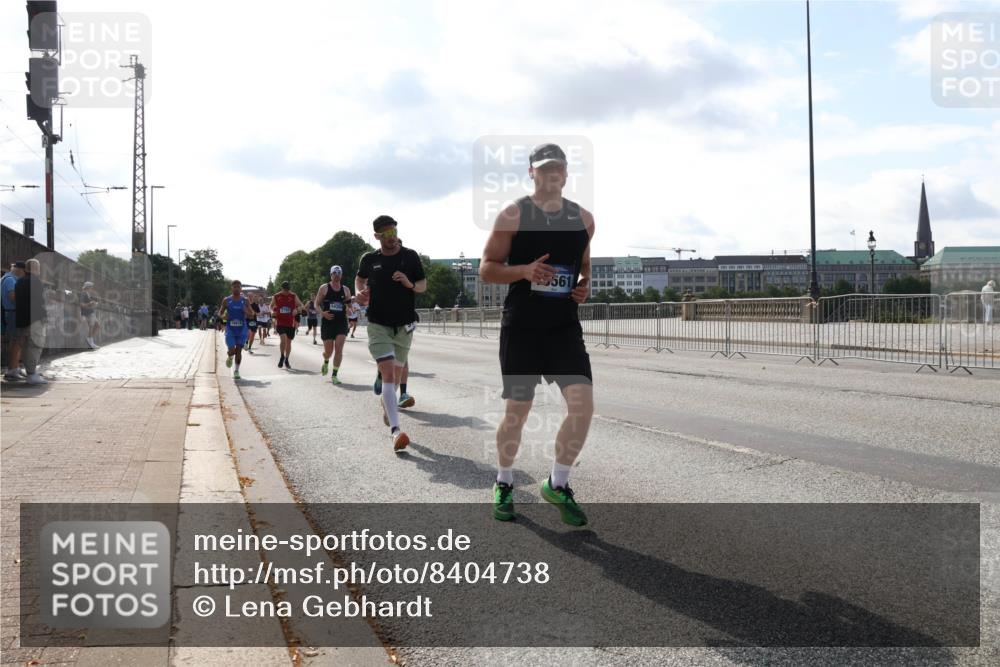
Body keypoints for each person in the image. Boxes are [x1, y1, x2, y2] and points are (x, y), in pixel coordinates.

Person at [479, 142, 595, 526]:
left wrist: (585, 285)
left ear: (566, 172)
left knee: (583, 406)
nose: (551, 173)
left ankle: (557, 483)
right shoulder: (513, 215)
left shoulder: (584, 219)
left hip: (563, 327)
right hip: (523, 327)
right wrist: (524, 271)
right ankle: (504, 481)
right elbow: (487, 268)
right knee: (517, 412)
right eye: (544, 168)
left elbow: (584, 265)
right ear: (532, 172)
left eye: (558, 167)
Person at [355, 215, 427, 451]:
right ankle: (396, 431)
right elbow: (359, 279)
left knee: (395, 377)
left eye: (394, 232)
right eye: (386, 234)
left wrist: (409, 283)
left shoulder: (410, 256)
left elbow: (422, 285)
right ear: (377, 236)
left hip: (404, 325)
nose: (391, 237)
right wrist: (360, 292)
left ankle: (387, 405)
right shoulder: (370, 259)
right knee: (388, 374)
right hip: (378, 324)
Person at [314, 266, 352, 384]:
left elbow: (349, 305)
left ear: (341, 275)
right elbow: (316, 304)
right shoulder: (324, 288)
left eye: (339, 272)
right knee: (329, 352)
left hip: (341, 322)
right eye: (334, 272)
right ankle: (326, 360)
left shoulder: (346, 290)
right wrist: (322, 313)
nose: (337, 274)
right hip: (328, 323)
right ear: (331, 275)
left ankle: (334, 375)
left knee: (339, 349)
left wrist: (349, 310)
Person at [12, 259, 48, 385]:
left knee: (26, 346)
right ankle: (32, 374)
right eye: (39, 268)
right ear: (35, 268)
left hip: (22, 319)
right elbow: (39, 302)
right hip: (35, 319)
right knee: (35, 346)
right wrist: (44, 317)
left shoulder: (19, 281)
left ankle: (30, 372)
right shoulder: (36, 281)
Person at [218, 280, 254, 380]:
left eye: (238, 287)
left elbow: (252, 314)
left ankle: (236, 371)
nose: (236, 288)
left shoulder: (245, 300)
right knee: (232, 351)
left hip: (242, 329)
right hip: (230, 329)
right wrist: (223, 317)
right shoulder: (226, 300)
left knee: (238, 351)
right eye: (235, 287)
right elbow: (220, 313)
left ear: (241, 288)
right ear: (232, 288)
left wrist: (246, 311)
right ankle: (230, 357)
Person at [271, 281, 305, 369]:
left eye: (288, 290)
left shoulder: (293, 296)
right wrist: (272, 312)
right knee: (283, 339)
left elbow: (301, 305)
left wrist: (297, 310)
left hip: (290, 323)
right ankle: (282, 356)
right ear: (282, 289)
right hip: (280, 321)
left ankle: (286, 359)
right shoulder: (276, 296)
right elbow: (270, 306)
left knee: (289, 342)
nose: (287, 292)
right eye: (285, 290)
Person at [2, 262, 25, 381]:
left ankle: (15, 367)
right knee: (16, 341)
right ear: (19, 270)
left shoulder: (7, 278)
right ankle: (12, 369)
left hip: (11, 312)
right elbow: (13, 297)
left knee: (16, 341)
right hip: (12, 312)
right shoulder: (10, 280)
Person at [79, 281, 100, 349]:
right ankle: (91, 342)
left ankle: (90, 340)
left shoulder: (87, 294)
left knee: (97, 326)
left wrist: (94, 303)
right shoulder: (83, 293)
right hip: (88, 313)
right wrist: (90, 303)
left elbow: (89, 303)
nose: (92, 288)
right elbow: (82, 304)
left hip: (91, 312)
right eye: (91, 287)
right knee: (93, 326)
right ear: (88, 287)